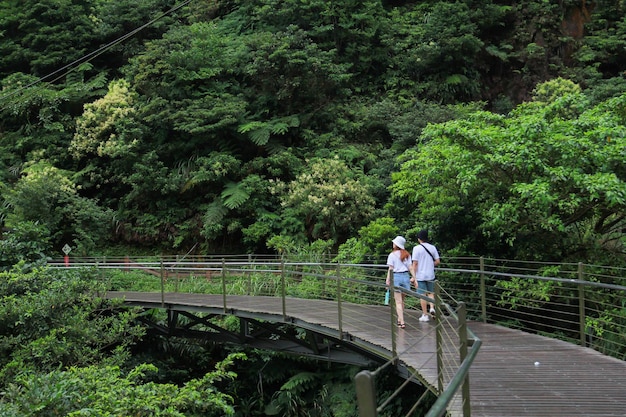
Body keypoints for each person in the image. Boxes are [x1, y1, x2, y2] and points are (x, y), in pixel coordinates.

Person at [386, 235, 415, 329]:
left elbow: (390, 269)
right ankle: (399, 319)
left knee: (398, 302)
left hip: (396, 277)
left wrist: (388, 280)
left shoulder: (392, 255)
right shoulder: (407, 254)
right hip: (405, 277)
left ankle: (402, 322)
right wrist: (415, 278)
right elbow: (410, 267)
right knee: (402, 301)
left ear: (396, 244)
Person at [411, 229, 440, 322]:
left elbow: (415, 263)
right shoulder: (432, 247)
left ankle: (425, 314)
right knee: (431, 293)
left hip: (420, 276)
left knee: (422, 295)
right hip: (430, 275)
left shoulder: (416, 248)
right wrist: (430, 265)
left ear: (419, 238)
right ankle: (432, 307)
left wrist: (413, 277)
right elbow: (437, 261)